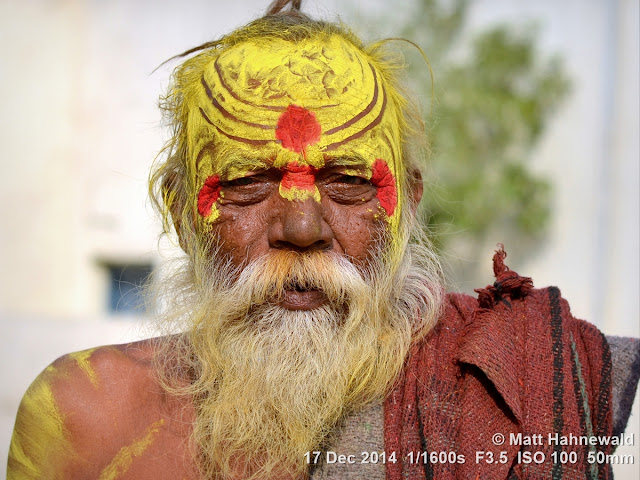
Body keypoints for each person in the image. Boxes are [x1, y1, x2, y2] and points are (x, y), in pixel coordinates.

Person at [7, 1, 639, 479]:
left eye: (349, 183)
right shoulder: (87, 419)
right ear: (180, 210)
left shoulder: (523, 384)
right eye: (250, 183)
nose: (303, 229)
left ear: (406, 207)